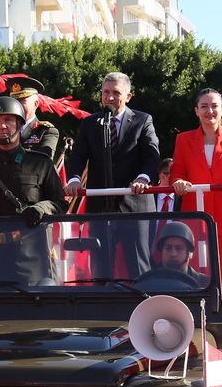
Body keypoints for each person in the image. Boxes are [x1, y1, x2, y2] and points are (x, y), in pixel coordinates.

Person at [0, 96, 66, 285]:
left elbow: (59, 202)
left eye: (8, 120)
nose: (2, 126)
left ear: (19, 124)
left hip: (29, 257)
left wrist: (41, 209)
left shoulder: (40, 163)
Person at [63, 72, 161, 278]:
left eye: (116, 93)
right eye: (105, 92)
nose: (109, 98)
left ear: (128, 96)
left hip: (135, 206)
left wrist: (143, 178)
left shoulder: (143, 120)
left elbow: (152, 155)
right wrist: (73, 179)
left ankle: (141, 307)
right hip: (100, 207)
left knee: (138, 266)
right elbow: (79, 155)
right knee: (101, 268)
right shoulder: (91, 123)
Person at [170, 88, 222, 300]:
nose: (210, 111)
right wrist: (178, 181)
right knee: (196, 278)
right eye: (204, 106)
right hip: (195, 219)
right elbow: (177, 173)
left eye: (214, 106)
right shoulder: (183, 139)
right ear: (196, 111)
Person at [0, 75, 61, 160]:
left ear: (36, 104)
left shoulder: (46, 132)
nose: (16, 105)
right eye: (14, 101)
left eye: (22, 101)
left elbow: (43, 163)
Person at [151, 221, 208, 286]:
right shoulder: (147, 282)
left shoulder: (204, 284)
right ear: (161, 251)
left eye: (179, 248)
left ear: (190, 253)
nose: (173, 254)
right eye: (168, 248)